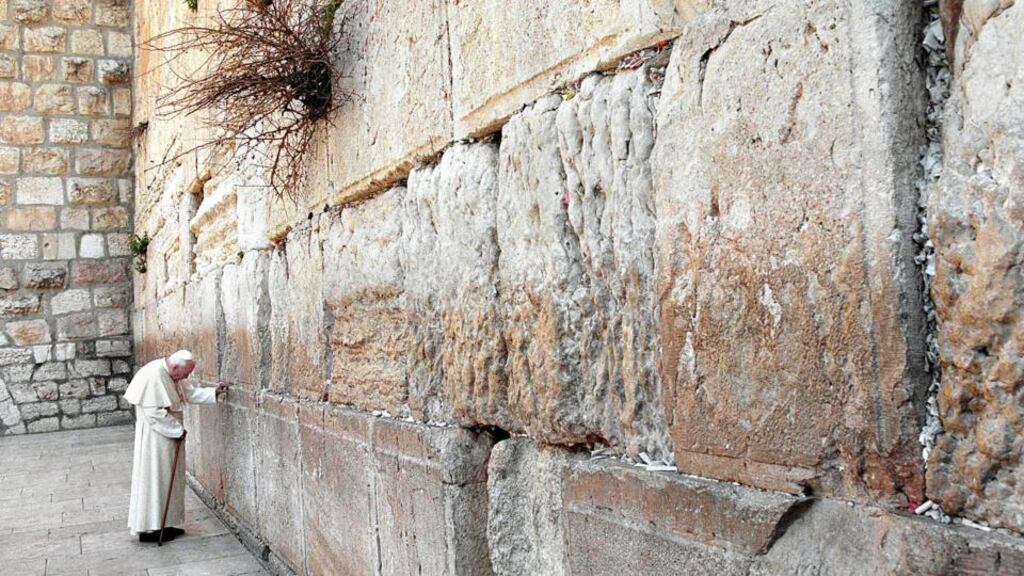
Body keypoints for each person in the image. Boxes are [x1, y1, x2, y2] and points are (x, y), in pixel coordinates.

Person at [123, 350, 228, 542]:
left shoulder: (172, 374)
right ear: (175, 367)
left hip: (166, 436)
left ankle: (165, 524)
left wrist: (214, 392)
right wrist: (176, 430)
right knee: (156, 480)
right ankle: (151, 529)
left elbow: (188, 393)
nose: (186, 377)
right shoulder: (154, 374)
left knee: (167, 480)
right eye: (186, 373)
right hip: (155, 439)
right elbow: (153, 413)